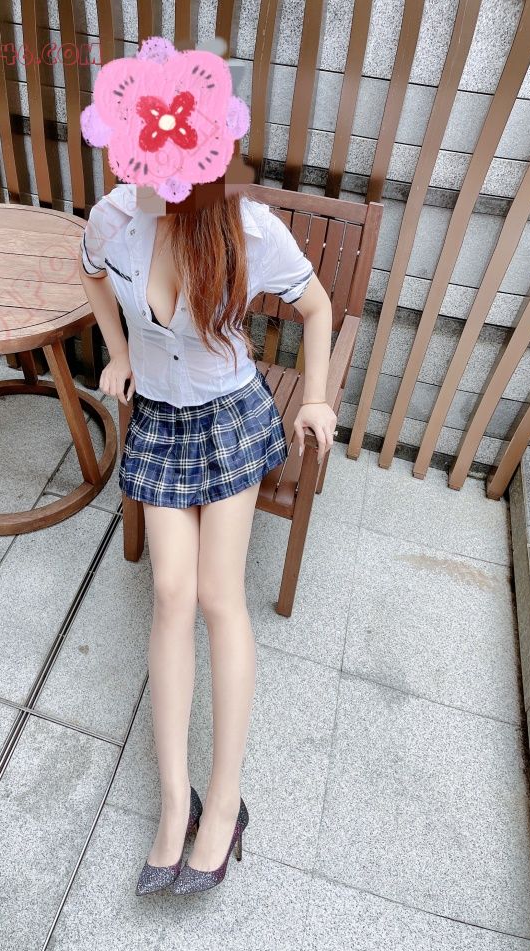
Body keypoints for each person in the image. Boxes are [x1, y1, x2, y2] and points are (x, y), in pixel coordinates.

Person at [79, 37, 337, 897]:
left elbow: (316, 306)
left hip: (229, 419)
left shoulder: (245, 228)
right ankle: (173, 798)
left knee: (220, 596)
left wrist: (316, 397)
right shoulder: (115, 217)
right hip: (158, 419)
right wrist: (118, 352)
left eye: (167, 167)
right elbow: (88, 274)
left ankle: (224, 802)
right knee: (168, 593)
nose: (152, 179)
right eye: (139, 162)